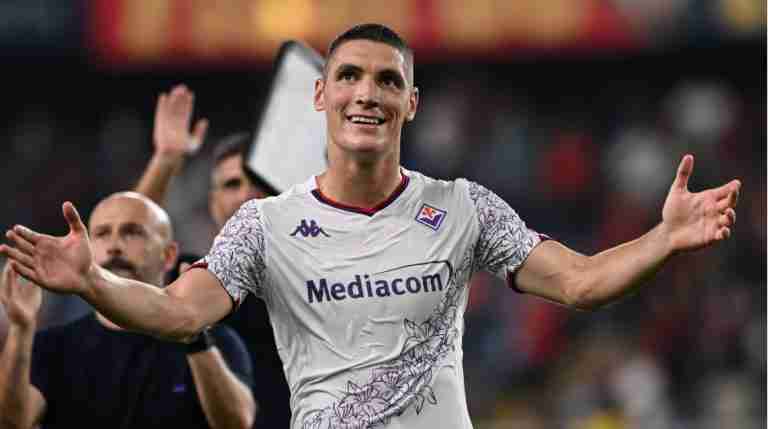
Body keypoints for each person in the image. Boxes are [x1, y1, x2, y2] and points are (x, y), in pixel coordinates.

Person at [0, 24, 741, 429]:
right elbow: (176, 312)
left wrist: (664, 238)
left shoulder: (464, 207)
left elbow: (580, 282)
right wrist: (92, 282)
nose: (367, 93)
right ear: (320, 95)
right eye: (350, 76)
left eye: (388, 79)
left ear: (411, 103)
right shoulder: (264, 224)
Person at [0, 192, 256, 429]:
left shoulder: (218, 341)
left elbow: (237, 423)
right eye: (102, 234)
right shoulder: (53, 346)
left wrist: (194, 338)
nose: (114, 246)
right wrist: (21, 328)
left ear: (168, 255)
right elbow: (12, 423)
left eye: (132, 232)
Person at [134, 85, 291, 428]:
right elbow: (128, 247)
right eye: (232, 184)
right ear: (212, 202)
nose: (246, 195)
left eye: (258, 181)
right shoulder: (188, 275)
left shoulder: (322, 274)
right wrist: (166, 160)